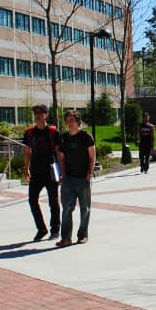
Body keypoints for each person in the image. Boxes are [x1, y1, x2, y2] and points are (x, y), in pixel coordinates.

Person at [55, 110, 96, 247]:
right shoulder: (64, 138)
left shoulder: (85, 136)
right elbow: (61, 157)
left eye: (72, 120)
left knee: (85, 208)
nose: (69, 123)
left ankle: (82, 235)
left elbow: (92, 157)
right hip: (69, 179)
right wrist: (63, 174)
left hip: (83, 178)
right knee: (67, 208)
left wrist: (89, 173)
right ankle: (66, 238)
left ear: (78, 122)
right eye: (67, 120)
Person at [23, 104, 60, 242]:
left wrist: (61, 172)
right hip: (36, 170)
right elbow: (27, 151)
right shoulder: (29, 133)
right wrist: (26, 168)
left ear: (46, 115)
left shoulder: (53, 132)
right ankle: (41, 229)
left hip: (50, 169)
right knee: (32, 200)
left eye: (41, 112)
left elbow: (59, 153)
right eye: (36, 113)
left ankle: (55, 230)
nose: (38, 115)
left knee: (53, 201)